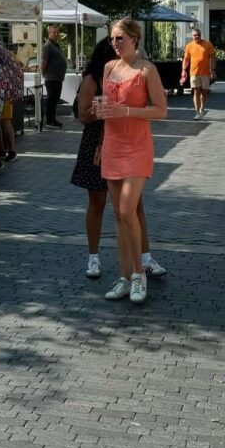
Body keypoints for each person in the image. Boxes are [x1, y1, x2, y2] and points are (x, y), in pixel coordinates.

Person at [72, 36, 168, 282]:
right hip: (96, 143)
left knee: (133, 206)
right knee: (97, 202)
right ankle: (93, 257)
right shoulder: (93, 80)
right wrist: (102, 108)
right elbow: (82, 116)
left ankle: (144, 259)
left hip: (123, 140)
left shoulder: (130, 73)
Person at [95, 18, 168, 305]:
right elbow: (105, 109)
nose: (115, 43)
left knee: (128, 210)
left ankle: (139, 274)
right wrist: (101, 138)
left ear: (135, 39)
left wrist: (124, 110)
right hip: (112, 145)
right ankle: (125, 277)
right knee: (118, 214)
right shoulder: (108, 68)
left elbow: (161, 111)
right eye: (112, 38)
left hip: (137, 146)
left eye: (120, 38)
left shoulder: (147, 70)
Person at [180, 27, 216, 120]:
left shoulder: (207, 44)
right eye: (195, 35)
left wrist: (213, 70)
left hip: (205, 73)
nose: (197, 37)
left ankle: (202, 108)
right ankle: (197, 112)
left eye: (198, 35)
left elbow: (212, 58)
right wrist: (183, 70)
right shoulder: (189, 46)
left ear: (201, 35)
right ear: (192, 36)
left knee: (204, 92)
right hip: (194, 72)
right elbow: (186, 59)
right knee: (196, 91)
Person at [41, 25, 67, 129]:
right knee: (51, 100)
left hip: (58, 78)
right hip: (51, 78)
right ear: (49, 34)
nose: (56, 34)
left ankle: (53, 119)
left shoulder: (56, 45)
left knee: (55, 100)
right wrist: (44, 74)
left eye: (57, 32)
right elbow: (43, 62)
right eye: (54, 32)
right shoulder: (47, 46)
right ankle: (49, 121)